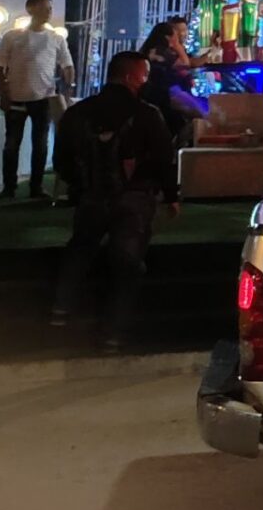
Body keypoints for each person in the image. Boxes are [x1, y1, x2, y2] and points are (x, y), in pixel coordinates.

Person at [49, 52, 178, 352]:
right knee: (127, 265)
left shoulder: (78, 113)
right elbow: (163, 159)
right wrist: (171, 195)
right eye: (144, 74)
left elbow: (62, 161)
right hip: (134, 199)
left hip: (92, 196)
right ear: (133, 77)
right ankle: (113, 334)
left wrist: (81, 186)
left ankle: (59, 313)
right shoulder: (147, 114)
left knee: (80, 250)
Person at [0, 0, 74, 202]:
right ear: (31, 9)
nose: (48, 12)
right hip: (16, 97)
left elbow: (67, 64)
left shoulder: (56, 38)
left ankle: (36, 187)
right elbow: (0, 65)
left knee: (40, 144)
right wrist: (3, 92)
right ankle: (9, 187)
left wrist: (67, 87)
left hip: (43, 98)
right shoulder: (12, 36)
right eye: (44, 8)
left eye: (50, 8)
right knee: (12, 143)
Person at [139, 16, 195, 145]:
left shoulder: (156, 50)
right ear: (167, 37)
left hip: (160, 97)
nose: (181, 35)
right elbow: (185, 64)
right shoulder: (160, 52)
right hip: (163, 99)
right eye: (176, 34)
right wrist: (177, 46)